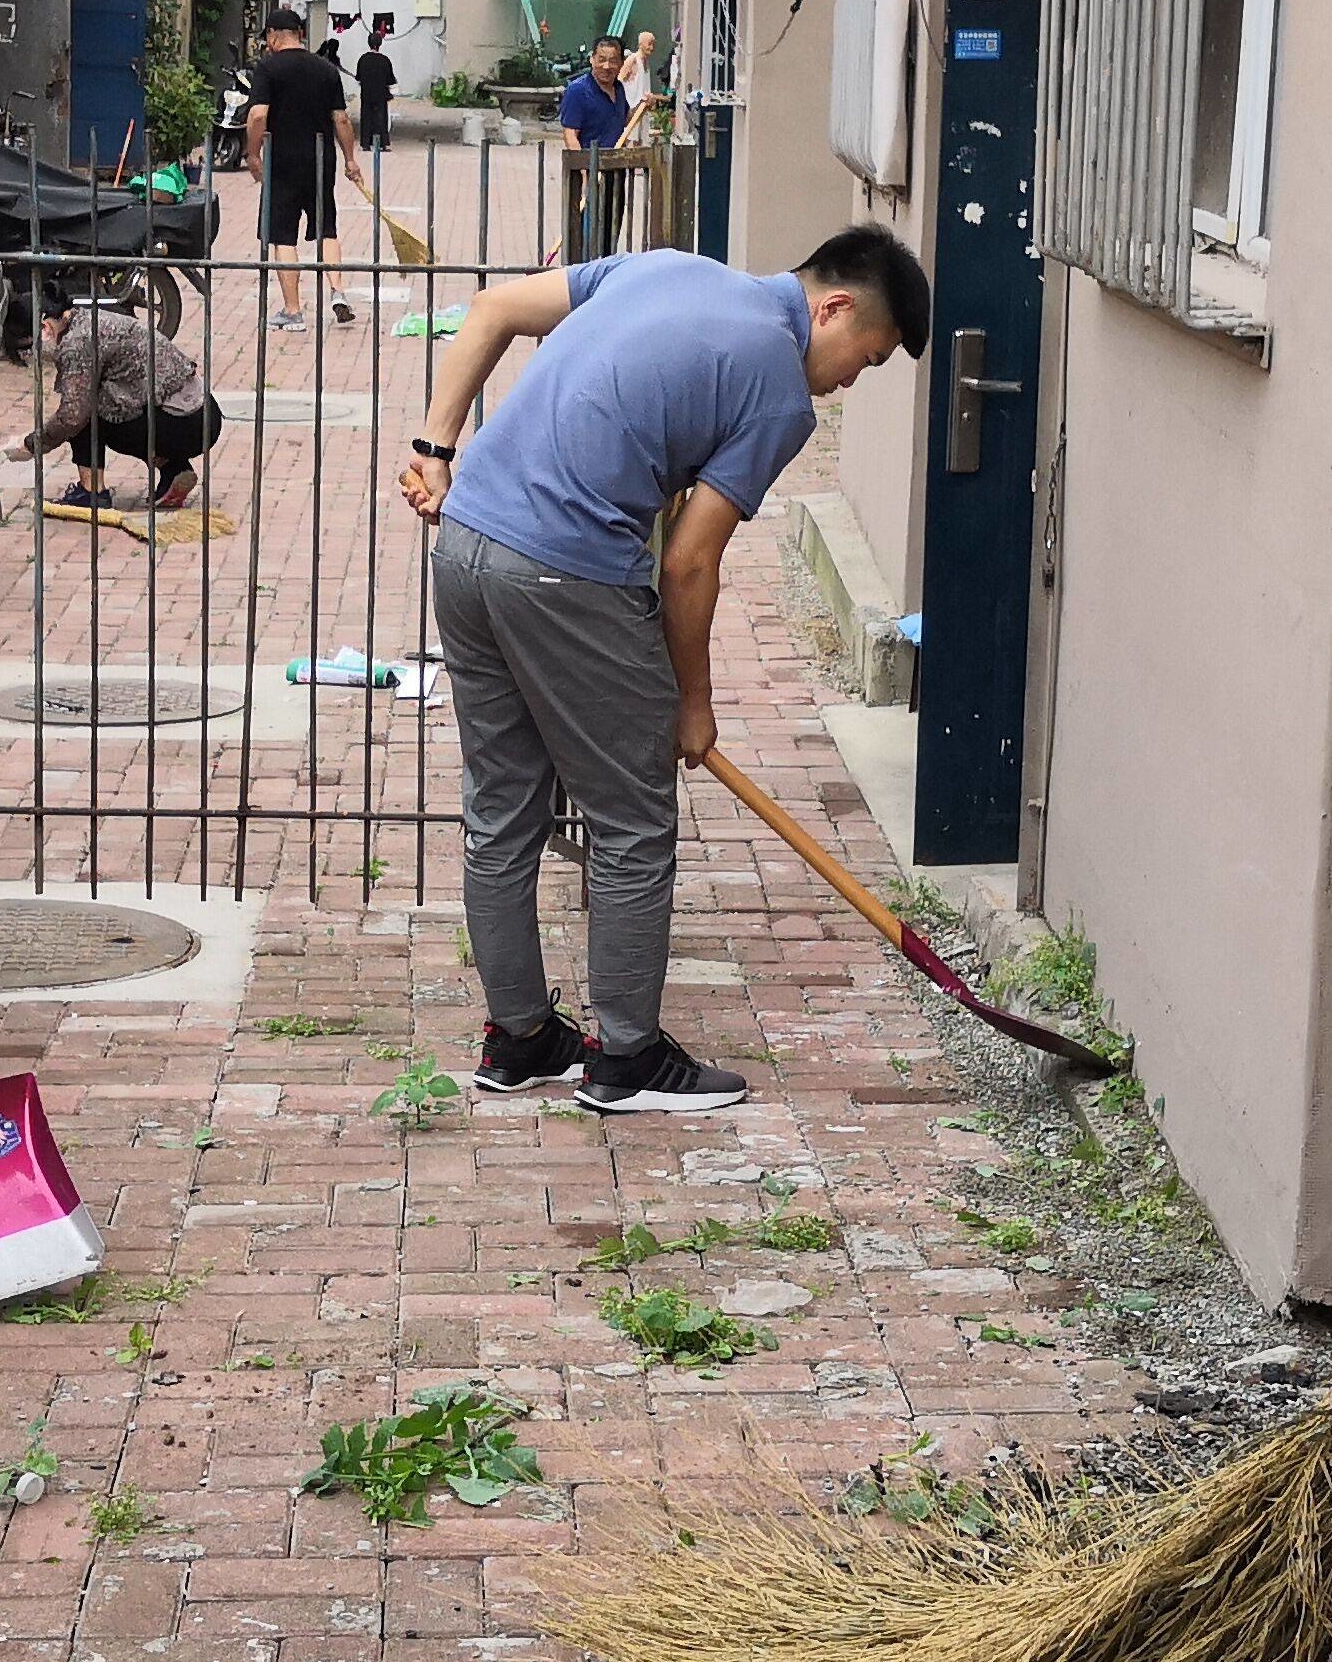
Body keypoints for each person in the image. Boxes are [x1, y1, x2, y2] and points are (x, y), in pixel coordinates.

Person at [392, 226, 929, 1114]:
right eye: (861, 361)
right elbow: (687, 561)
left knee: (501, 807)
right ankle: (627, 1060)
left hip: (466, 547)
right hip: (566, 575)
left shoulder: (663, 267)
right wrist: (692, 703)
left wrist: (434, 448)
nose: (842, 387)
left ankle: (521, 1038)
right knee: (633, 823)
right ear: (832, 308)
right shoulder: (777, 390)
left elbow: (488, 308)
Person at [16, 286, 218, 512]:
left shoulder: (76, 343)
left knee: (83, 411)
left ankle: (92, 492)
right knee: (103, 400)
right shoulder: (89, 317)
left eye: (27, 348)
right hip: (205, 414)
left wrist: (31, 445)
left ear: (44, 328)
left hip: (182, 425)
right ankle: (174, 469)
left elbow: (72, 417)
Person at [244, 5, 362, 328]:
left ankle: (293, 311)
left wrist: (253, 154)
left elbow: (257, 115)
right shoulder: (326, 70)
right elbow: (341, 118)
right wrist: (350, 159)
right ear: (300, 34)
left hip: (282, 161)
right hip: (320, 159)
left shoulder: (268, 69)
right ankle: (338, 292)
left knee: (283, 235)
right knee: (327, 227)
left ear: (272, 36)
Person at [554, 36, 632, 151]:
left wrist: (644, 104)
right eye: (601, 60)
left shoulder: (619, 88)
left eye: (613, 61)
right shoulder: (577, 91)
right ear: (592, 59)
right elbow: (570, 135)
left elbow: (625, 120)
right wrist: (584, 167)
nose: (606, 66)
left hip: (616, 164)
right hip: (589, 165)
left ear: (621, 63)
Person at [355, 17, 400, 154]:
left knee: (366, 117)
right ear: (380, 44)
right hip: (381, 95)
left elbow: (358, 77)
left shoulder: (363, 59)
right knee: (381, 118)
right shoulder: (384, 60)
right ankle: (382, 144)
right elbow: (390, 79)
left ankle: (365, 144)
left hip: (367, 93)